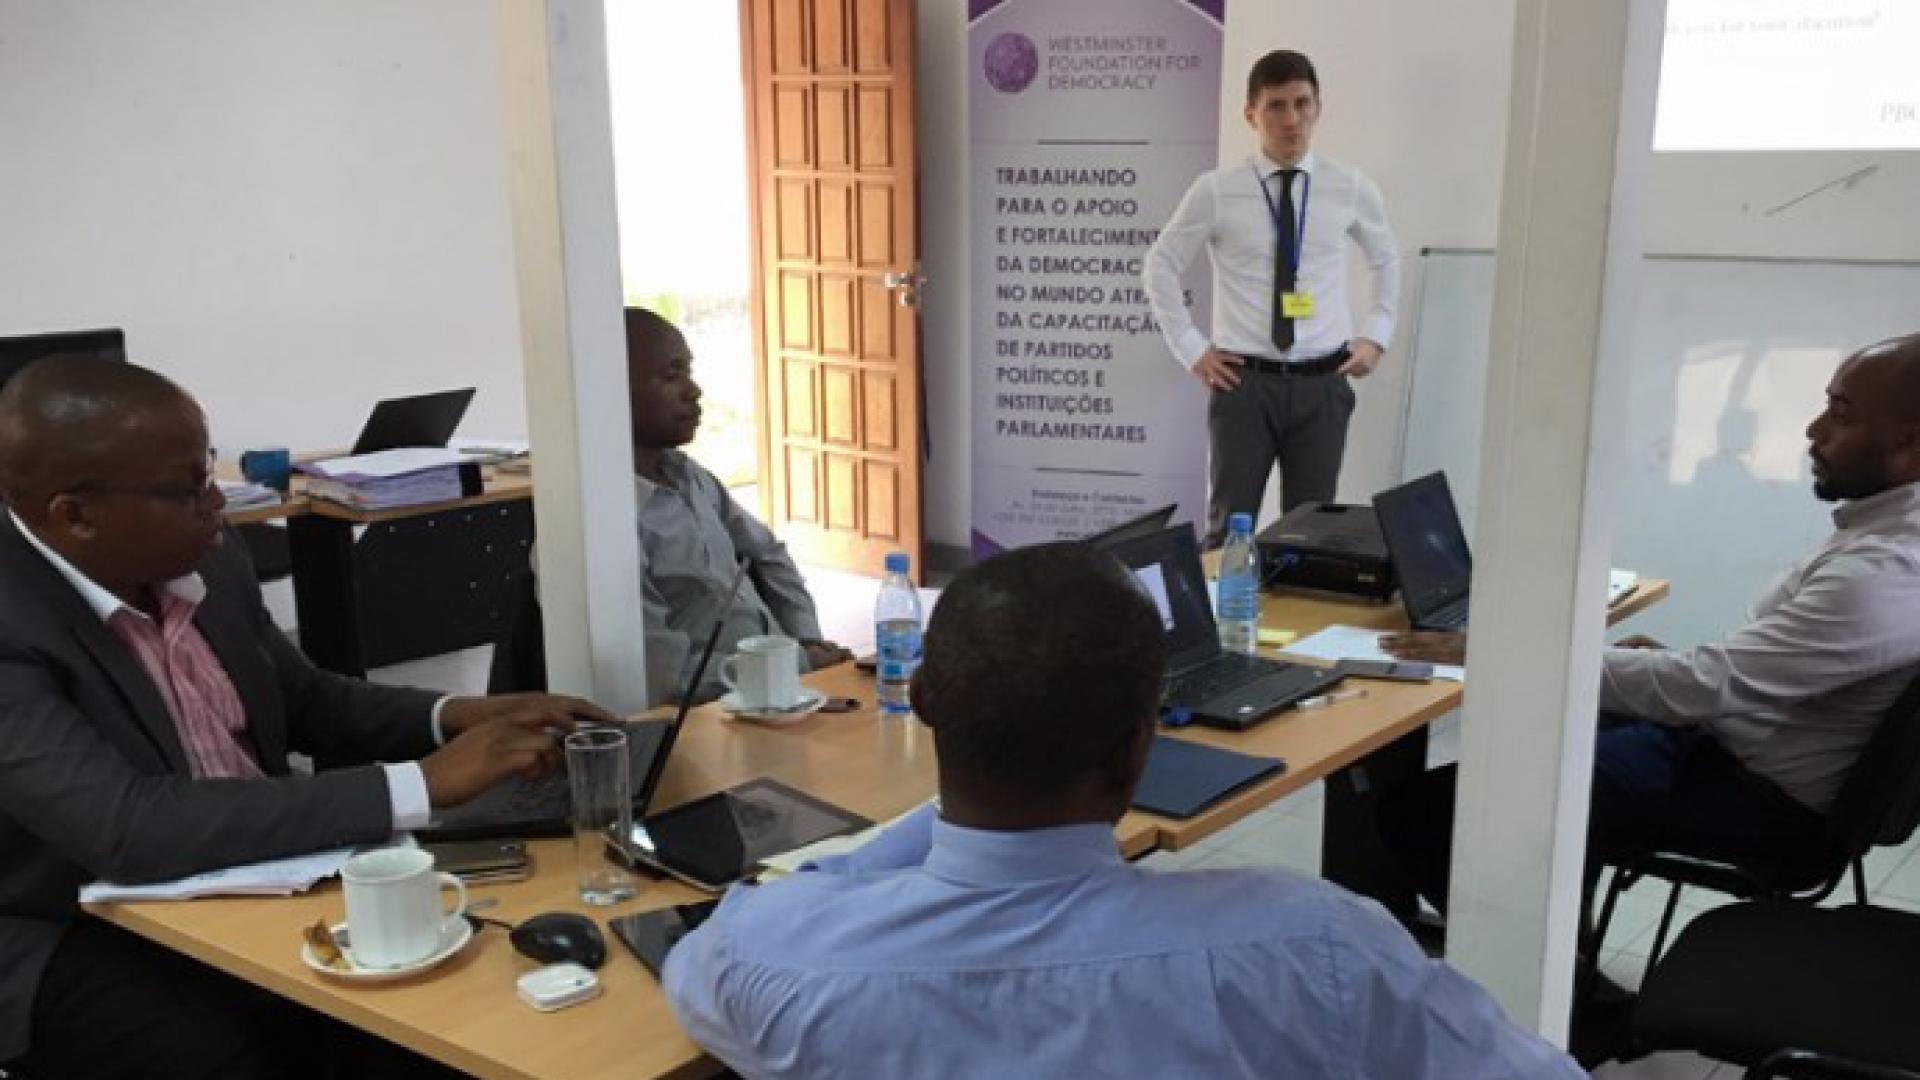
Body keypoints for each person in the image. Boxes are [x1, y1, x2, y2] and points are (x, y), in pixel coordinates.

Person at [663, 542, 1580, 1078]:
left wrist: (913, 832)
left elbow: (706, 954)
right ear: (1142, 745)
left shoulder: (776, 957)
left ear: (926, 702)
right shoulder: (1315, 951)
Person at [0, 357, 617, 1078]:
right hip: (64, 926)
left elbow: (304, 701)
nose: (218, 504)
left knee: (452, 1000)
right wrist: (419, 784)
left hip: (258, 873)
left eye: (206, 471)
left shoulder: (208, 559)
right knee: (248, 1052)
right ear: (73, 515)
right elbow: (128, 828)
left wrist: (461, 715)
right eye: (188, 489)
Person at [1378, 333, 1920, 916]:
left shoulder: (1882, 574)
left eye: (1841, 414)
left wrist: (1504, 653)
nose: (1813, 431)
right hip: (1736, 747)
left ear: (1910, 443)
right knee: (1537, 737)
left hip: (1760, 798)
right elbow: (1741, 677)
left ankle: (1534, 985)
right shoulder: (1883, 538)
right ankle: (1560, 954)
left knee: (1439, 808)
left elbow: (1703, 687)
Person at [1143, 49, 1401, 544]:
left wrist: (1377, 337)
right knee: (1228, 534)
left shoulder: (1348, 187)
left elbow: (1386, 259)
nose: (1292, 120)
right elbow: (1160, 264)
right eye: (1276, 106)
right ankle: (1224, 620)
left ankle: (1298, 623)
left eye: (1302, 104)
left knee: (1312, 535)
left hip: (1322, 384)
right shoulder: (1217, 190)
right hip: (1245, 386)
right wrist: (1191, 348)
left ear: (1318, 108)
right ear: (1251, 114)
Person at [620, 307, 851, 705]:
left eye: (689, 372)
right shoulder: (614, 520)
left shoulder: (689, 477)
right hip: (715, 708)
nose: (693, 390)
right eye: (671, 376)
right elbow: (666, 678)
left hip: (778, 684)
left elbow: (769, 556)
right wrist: (794, 663)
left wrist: (806, 639)